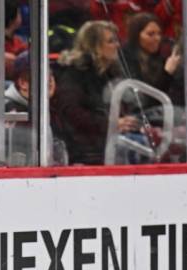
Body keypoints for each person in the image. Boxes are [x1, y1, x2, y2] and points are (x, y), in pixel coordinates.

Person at [54, 20, 135, 165]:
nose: (117, 45)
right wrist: (109, 124)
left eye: (117, 40)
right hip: (85, 150)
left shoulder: (112, 73)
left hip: (111, 144)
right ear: (94, 46)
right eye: (111, 41)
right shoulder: (75, 73)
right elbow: (71, 113)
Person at [121, 13, 179, 93]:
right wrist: (167, 73)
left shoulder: (160, 59)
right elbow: (145, 97)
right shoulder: (124, 59)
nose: (157, 38)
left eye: (159, 34)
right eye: (150, 34)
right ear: (136, 35)